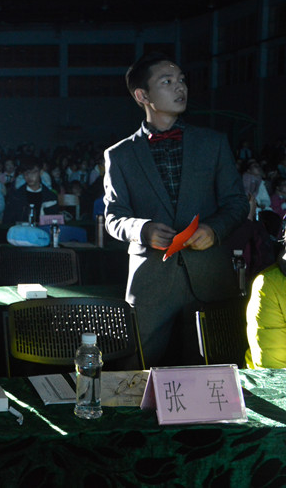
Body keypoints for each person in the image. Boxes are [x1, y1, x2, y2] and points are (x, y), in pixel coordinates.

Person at [103, 51, 248, 367]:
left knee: (216, 373)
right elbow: (113, 217)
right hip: (151, 281)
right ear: (142, 96)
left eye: (181, 80)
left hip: (209, 276)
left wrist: (214, 229)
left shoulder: (212, 143)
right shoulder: (120, 155)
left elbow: (237, 202)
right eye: (167, 81)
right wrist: (142, 230)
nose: (180, 87)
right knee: (135, 373)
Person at [4, 156, 59, 225]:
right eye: (26, 173)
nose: (29, 176)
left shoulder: (50, 197)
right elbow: (7, 221)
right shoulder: (15, 196)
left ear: (41, 172)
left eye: (33, 172)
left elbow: (55, 222)